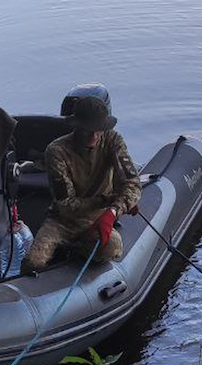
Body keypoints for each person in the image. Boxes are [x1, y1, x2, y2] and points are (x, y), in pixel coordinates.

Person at [22, 90, 141, 271]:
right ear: (77, 126)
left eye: (98, 130)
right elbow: (65, 204)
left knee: (112, 248)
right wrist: (106, 200)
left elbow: (132, 183)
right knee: (33, 262)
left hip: (98, 217)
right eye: (88, 131)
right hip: (62, 221)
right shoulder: (57, 151)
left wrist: (113, 211)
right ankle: (70, 249)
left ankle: (76, 250)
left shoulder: (113, 141)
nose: (94, 136)